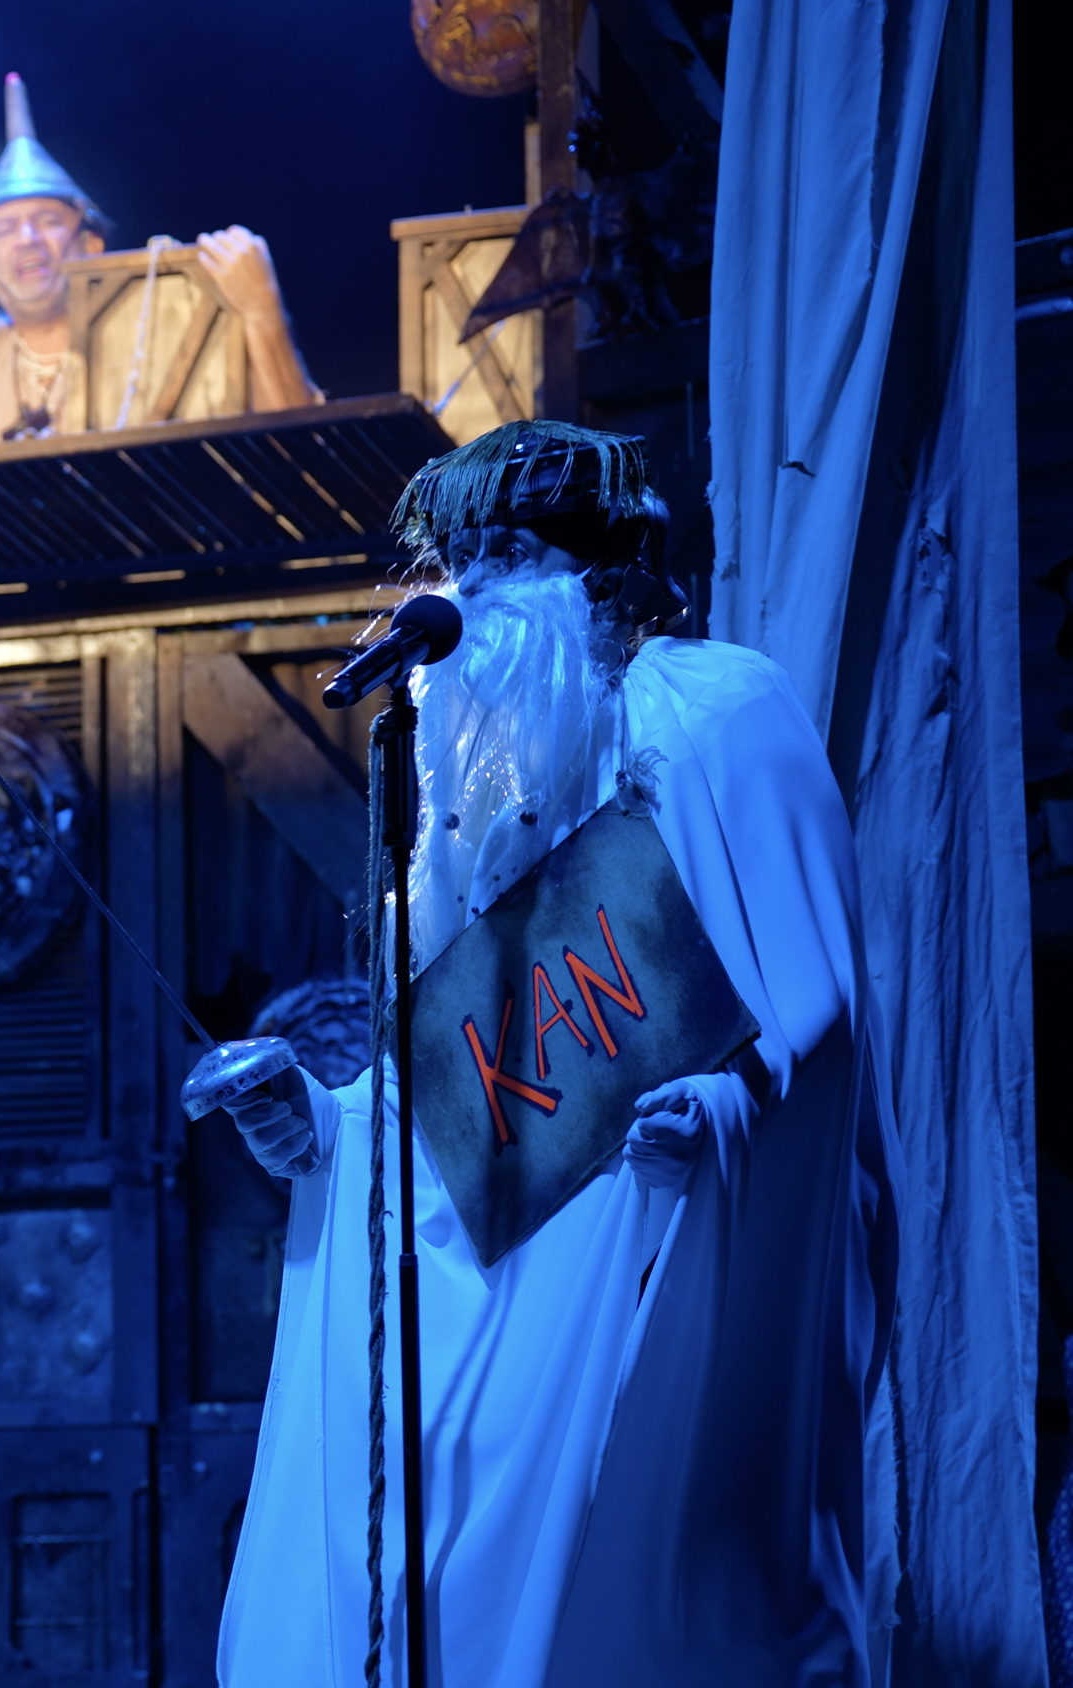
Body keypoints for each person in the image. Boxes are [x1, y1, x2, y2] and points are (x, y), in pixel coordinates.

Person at [217, 420, 903, 1687]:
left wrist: (724, 1107)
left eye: (505, 553)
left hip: (643, 1216)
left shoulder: (714, 706)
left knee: (606, 1576)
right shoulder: (448, 761)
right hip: (479, 1241)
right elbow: (441, 1060)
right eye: (455, 558)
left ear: (594, 567)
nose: (471, 588)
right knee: (415, 1573)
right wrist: (321, 1123)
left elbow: (817, 991)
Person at [0, 73, 321, 448]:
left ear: (91, 244)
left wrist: (263, 313)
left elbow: (301, 451)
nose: (27, 239)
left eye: (48, 220)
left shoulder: (163, 332)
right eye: (4, 229)